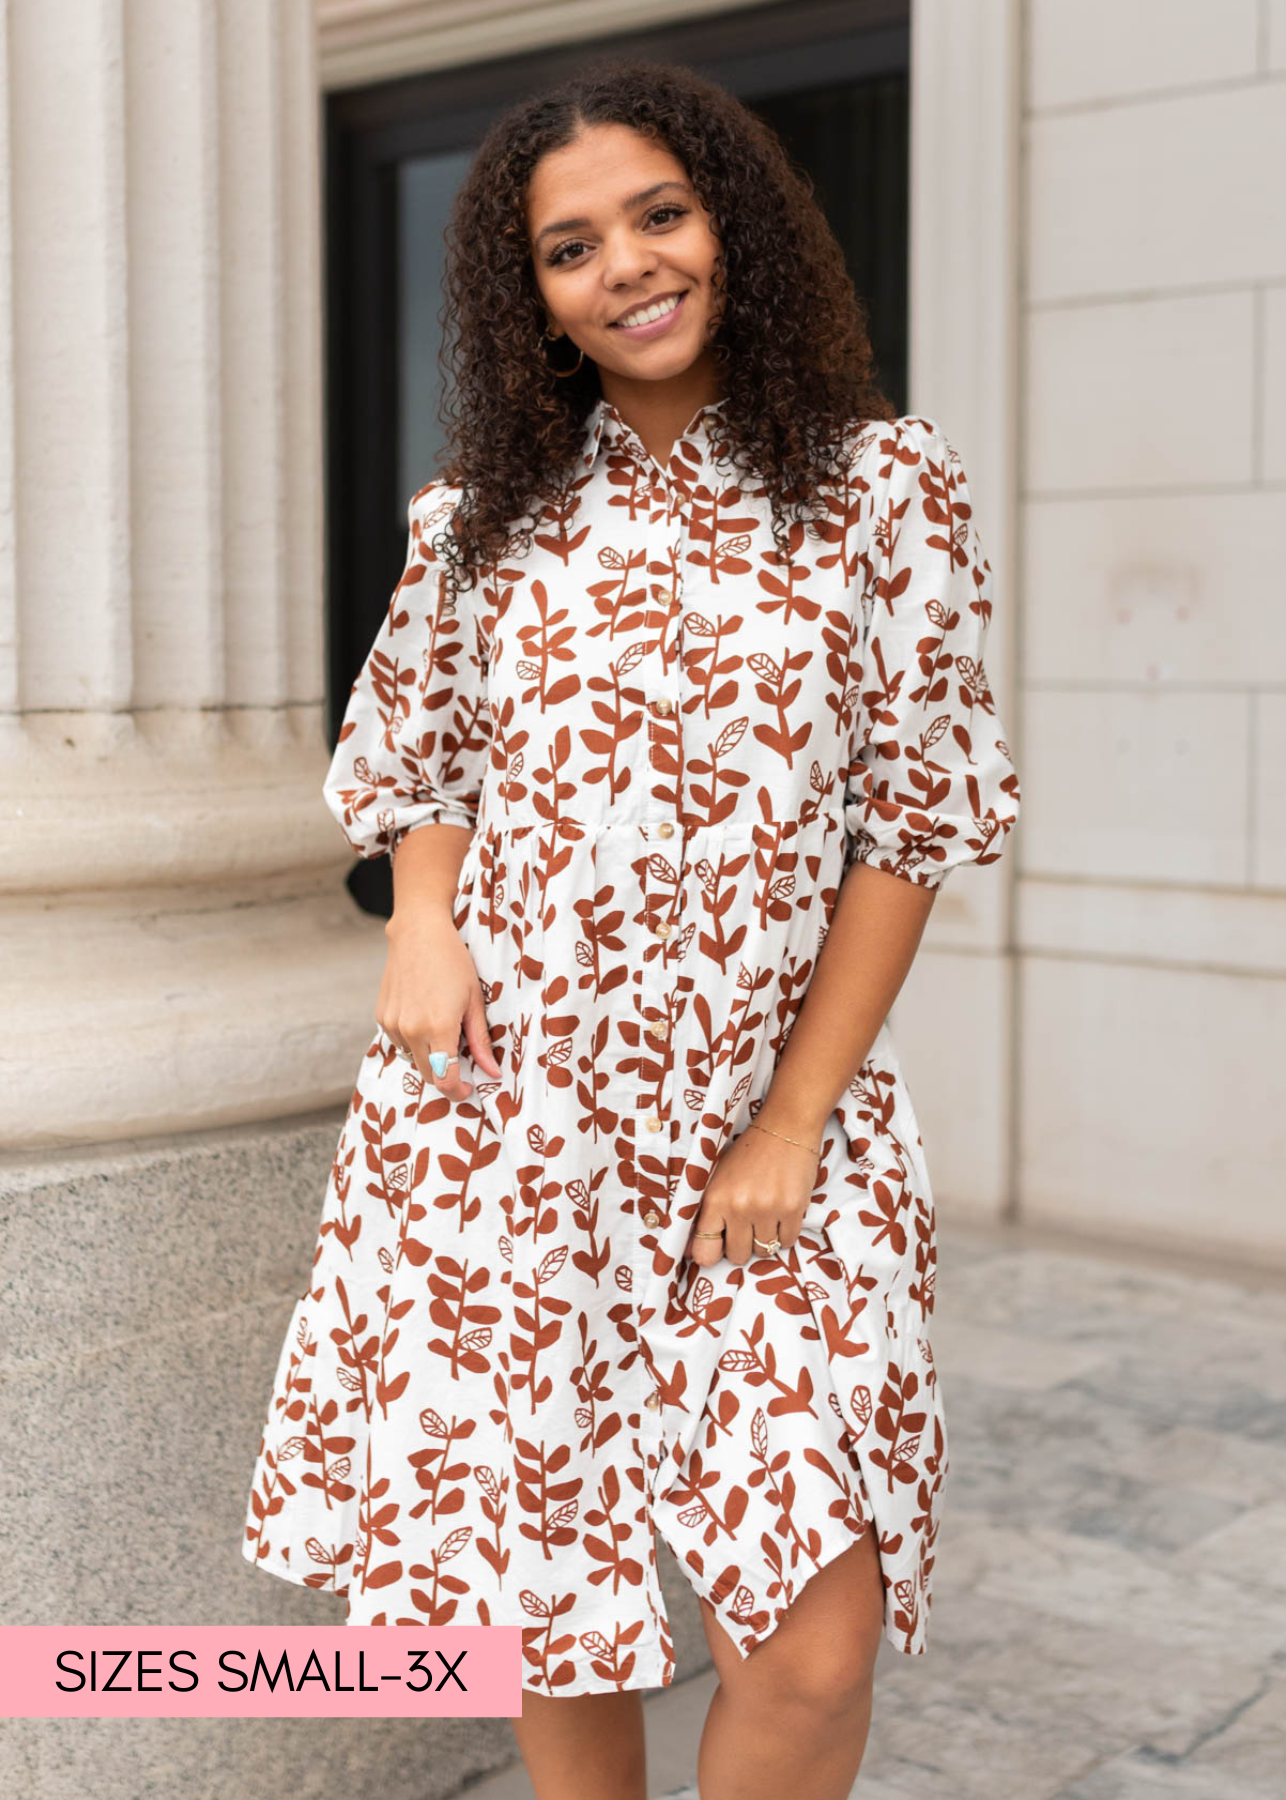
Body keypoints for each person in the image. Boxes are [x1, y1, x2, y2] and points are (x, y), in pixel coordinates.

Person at [241, 55, 1022, 1800]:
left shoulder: (884, 490)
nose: (626, 266)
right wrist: (420, 926)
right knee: (550, 1589)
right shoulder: (482, 520)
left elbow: (914, 818)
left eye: (657, 215)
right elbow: (416, 752)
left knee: (809, 1646)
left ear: (730, 224)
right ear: (533, 295)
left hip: (770, 1143)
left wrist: (793, 1123)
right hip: (508, 1128)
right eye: (570, 244)